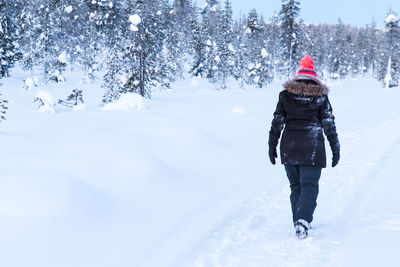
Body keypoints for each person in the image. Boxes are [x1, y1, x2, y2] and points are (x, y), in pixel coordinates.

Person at [268, 55, 340, 239]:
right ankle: (303, 220)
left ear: (298, 75)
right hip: (312, 146)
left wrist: (272, 145)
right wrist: (335, 147)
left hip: (289, 147)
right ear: (313, 76)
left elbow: (277, 122)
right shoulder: (321, 97)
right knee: (309, 185)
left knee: (295, 186)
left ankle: (298, 221)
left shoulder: (285, 96)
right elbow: (329, 123)